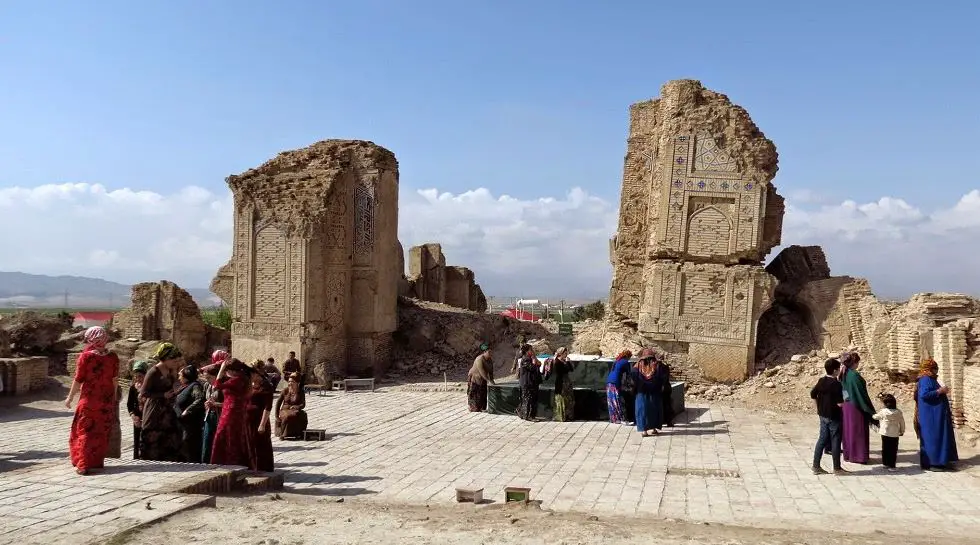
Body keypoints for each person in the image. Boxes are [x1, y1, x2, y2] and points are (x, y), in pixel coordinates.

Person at [65, 326, 120, 475]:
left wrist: (70, 397)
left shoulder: (86, 357)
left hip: (89, 401)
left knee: (85, 431)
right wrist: (113, 398)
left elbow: (78, 380)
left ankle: (83, 464)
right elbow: (115, 380)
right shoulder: (113, 357)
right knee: (100, 432)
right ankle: (95, 461)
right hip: (106, 401)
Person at [139, 342, 184, 462]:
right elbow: (144, 393)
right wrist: (162, 395)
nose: (175, 363)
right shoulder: (153, 372)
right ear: (165, 359)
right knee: (152, 443)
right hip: (155, 411)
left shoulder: (171, 370)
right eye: (173, 360)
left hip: (168, 411)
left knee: (169, 442)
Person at [914, 358, 958, 471]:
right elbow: (924, 394)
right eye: (935, 369)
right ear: (930, 369)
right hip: (931, 416)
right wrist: (940, 391)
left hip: (936, 415)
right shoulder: (925, 379)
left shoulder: (930, 378)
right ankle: (934, 463)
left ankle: (941, 461)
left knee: (939, 437)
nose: (936, 371)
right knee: (933, 438)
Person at [210, 358, 254, 467]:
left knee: (227, 436)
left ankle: (228, 462)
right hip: (233, 411)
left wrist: (221, 368)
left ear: (232, 370)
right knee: (233, 436)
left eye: (227, 369)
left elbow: (217, 385)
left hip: (231, 413)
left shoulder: (237, 380)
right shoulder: (242, 379)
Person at [839, 351, 876, 464]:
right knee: (858, 431)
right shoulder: (854, 375)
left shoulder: (843, 373)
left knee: (849, 430)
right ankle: (858, 456)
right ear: (854, 362)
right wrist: (869, 409)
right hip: (856, 406)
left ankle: (849, 454)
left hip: (846, 406)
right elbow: (860, 393)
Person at [811, 358, 845, 475]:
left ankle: (816, 466)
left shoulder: (821, 381)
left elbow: (812, 394)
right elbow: (840, 403)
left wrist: (818, 408)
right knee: (835, 440)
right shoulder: (836, 384)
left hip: (823, 415)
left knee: (822, 439)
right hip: (834, 416)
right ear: (835, 370)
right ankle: (837, 468)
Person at [201, 350, 227, 464]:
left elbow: (230, 404)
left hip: (220, 417)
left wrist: (215, 404)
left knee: (218, 443)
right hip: (209, 416)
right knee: (206, 442)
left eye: (208, 378)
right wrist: (207, 404)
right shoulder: (207, 385)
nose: (206, 380)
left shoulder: (223, 387)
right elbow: (204, 399)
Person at [248, 360, 276, 471]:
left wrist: (262, 424)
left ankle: (264, 469)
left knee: (262, 445)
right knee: (251, 444)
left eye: (252, 374)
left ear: (258, 373)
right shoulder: (250, 384)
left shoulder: (266, 386)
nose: (250, 376)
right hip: (248, 420)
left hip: (259, 419)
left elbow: (267, 407)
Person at [175, 365, 206, 463]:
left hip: (191, 425)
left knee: (190, 448)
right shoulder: (185, 386)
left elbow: (200, 399)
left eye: (180, 375)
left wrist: (188, 410)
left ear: (186, 376)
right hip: (183, 424)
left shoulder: (195, 386)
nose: (179, 378)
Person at [632, 349, 665, 437]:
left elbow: (633, 377)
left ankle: (644, 431)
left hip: (641, 393)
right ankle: (654, 429)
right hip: (654, 392)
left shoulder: (637, 366)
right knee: (654, 410)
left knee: (642, 411)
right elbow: (662, 377)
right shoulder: (657, 366)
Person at [873, 393, 906, 470]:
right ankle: (892, 465)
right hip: (894, 433)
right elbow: (902, 422)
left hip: (885, 432)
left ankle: (885, 463)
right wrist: (902, 431)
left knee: (885, 448)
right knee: (893, 450)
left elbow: (875, 417)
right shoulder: (899, 412)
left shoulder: (883, 411)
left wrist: (872, 414)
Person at [127, 360, 150, 459]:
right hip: (137, 418)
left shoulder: (150, 387)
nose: (137, 379)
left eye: (140, 376)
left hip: (148, 417)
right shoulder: (133, 388)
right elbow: (130, 404)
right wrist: (133, 416)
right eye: (135, 376)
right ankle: (137, 459)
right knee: (137, 440)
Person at [275, 372, 308, 439]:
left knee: (298, 415)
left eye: (292, 382)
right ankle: (283, 434)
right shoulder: (285, 390)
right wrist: (276, 415)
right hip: (284, 410)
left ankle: (297, 433)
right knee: (287, 416)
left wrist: (297, 407)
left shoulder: (300, 392)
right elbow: (278, 403)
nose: (290, 383)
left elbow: (303, 404)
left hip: (295, 410)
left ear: (297, 383)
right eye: (289, 381)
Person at [547, 347, 575, 422]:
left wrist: (568, 362)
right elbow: (562, 371)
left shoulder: (564, 361)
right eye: (565, 353)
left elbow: (571, 369)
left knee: (569, 399)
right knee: (562, 399)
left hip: (567, 382)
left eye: (566, 353)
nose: (566, 355)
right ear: (561, 354)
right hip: (561, 383)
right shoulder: (557, 362)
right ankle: (561, 416)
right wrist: (567, 363)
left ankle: (568, 415)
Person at [606, 350, 633, 424]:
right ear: (627, 356)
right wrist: (630, 386)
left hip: (609, 381)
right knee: (618, 400)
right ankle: (623, 419)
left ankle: (614, 419)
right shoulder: (625, 362)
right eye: (630, 357)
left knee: (612, 401)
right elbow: (628, 375)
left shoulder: (617, 361)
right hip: (615, 382)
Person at [516, 344, 541, 421]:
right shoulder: (525, 359)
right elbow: (532, 368)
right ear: (527, 351)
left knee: (531, 399)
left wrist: (535, 358)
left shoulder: (530, 358)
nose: (532, 351)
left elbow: (539, 364)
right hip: (527, 383)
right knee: (528, 399)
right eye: (531, 350)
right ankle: (528, 416)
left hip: (532, 382)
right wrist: (534, 361)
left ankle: (522, 412)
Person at [467, 343, 495, 412]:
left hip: (483, 379)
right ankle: (473, 408)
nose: (490, 353)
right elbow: (482, 372)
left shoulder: (490, 360)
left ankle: (482, 408)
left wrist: (492, 381)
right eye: (489, 352)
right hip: (475, 378)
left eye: (491, 351)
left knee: (483, 393)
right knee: (475, 394)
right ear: (484, 352)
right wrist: (488, 381)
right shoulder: (479, 359)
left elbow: (491, 371)